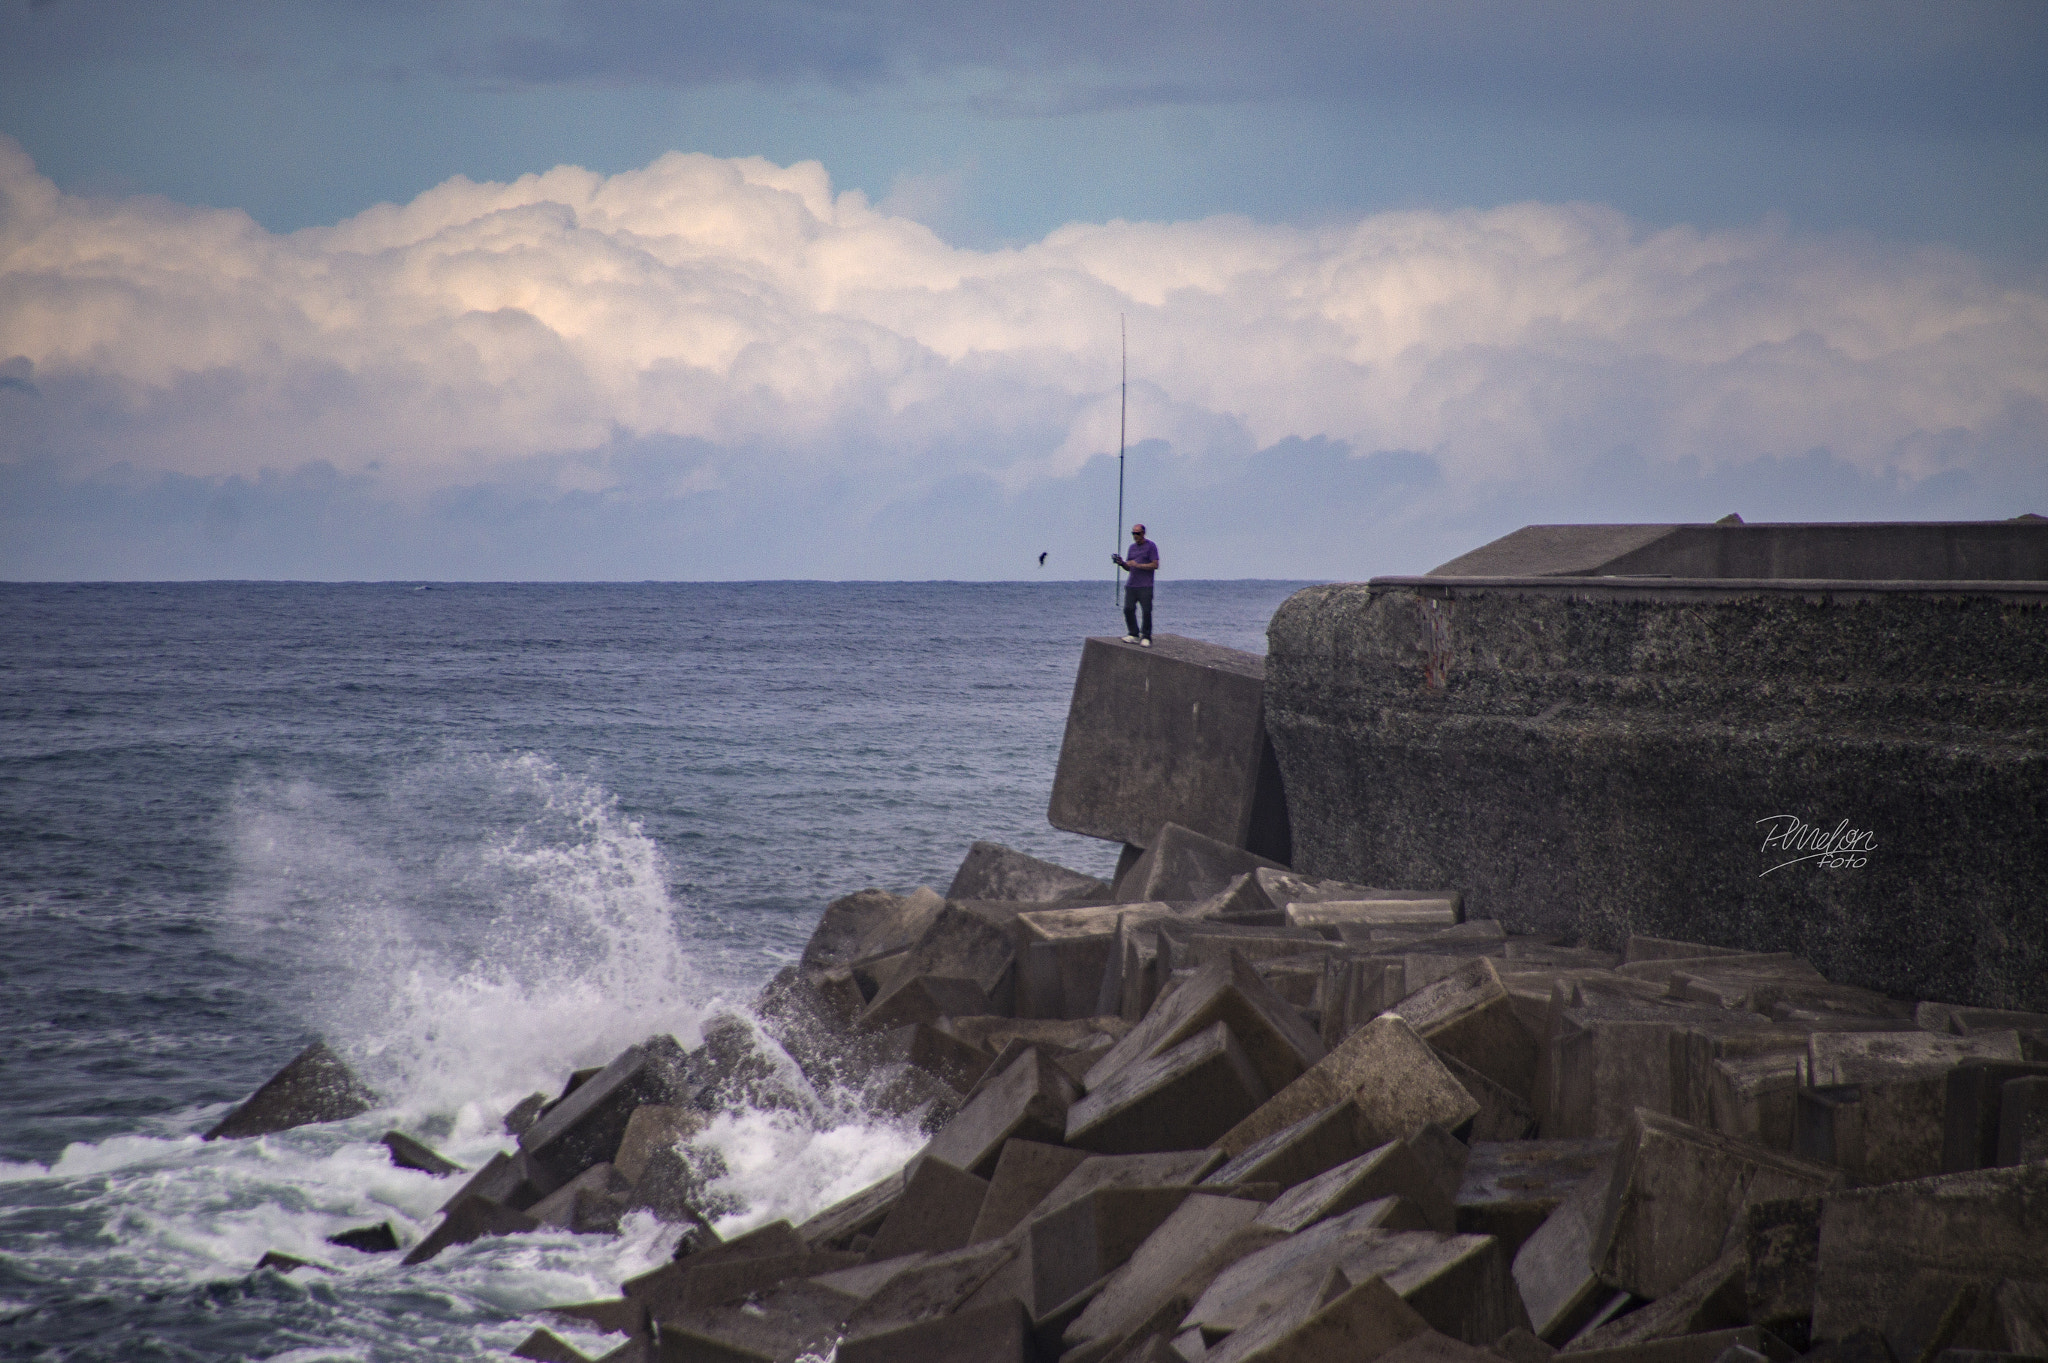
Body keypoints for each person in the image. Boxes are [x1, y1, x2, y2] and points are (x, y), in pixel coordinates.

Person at [1112, 524, 1159, 645]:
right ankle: (1133, 633)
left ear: (1143, 533)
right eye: (1133, 533)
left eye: (1137, 533)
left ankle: (1146, 636)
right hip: (1132, 585)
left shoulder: (1151, 546)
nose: (1135, 536)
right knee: (1128, 609)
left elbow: (1155, 565)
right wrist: (1121, 563)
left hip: (1145, 585)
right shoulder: (1131, 548)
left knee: (1146, 611)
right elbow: (1129, 567)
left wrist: (1138, 565)